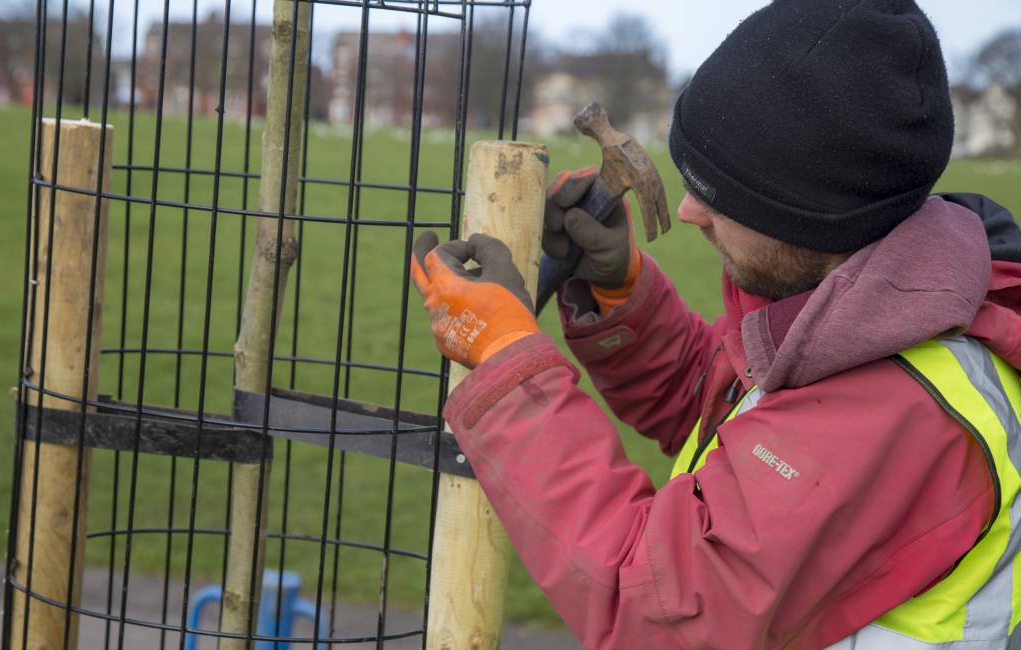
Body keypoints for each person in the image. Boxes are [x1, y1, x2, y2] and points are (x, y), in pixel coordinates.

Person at [410, 0, 1021, 648]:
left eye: (721, 195)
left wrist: (508, 361)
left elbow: (652, 606)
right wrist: (621, 293)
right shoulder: (866, 309)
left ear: (813, 219)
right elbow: (738, 424)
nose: (688, 210)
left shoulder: (904, 414)